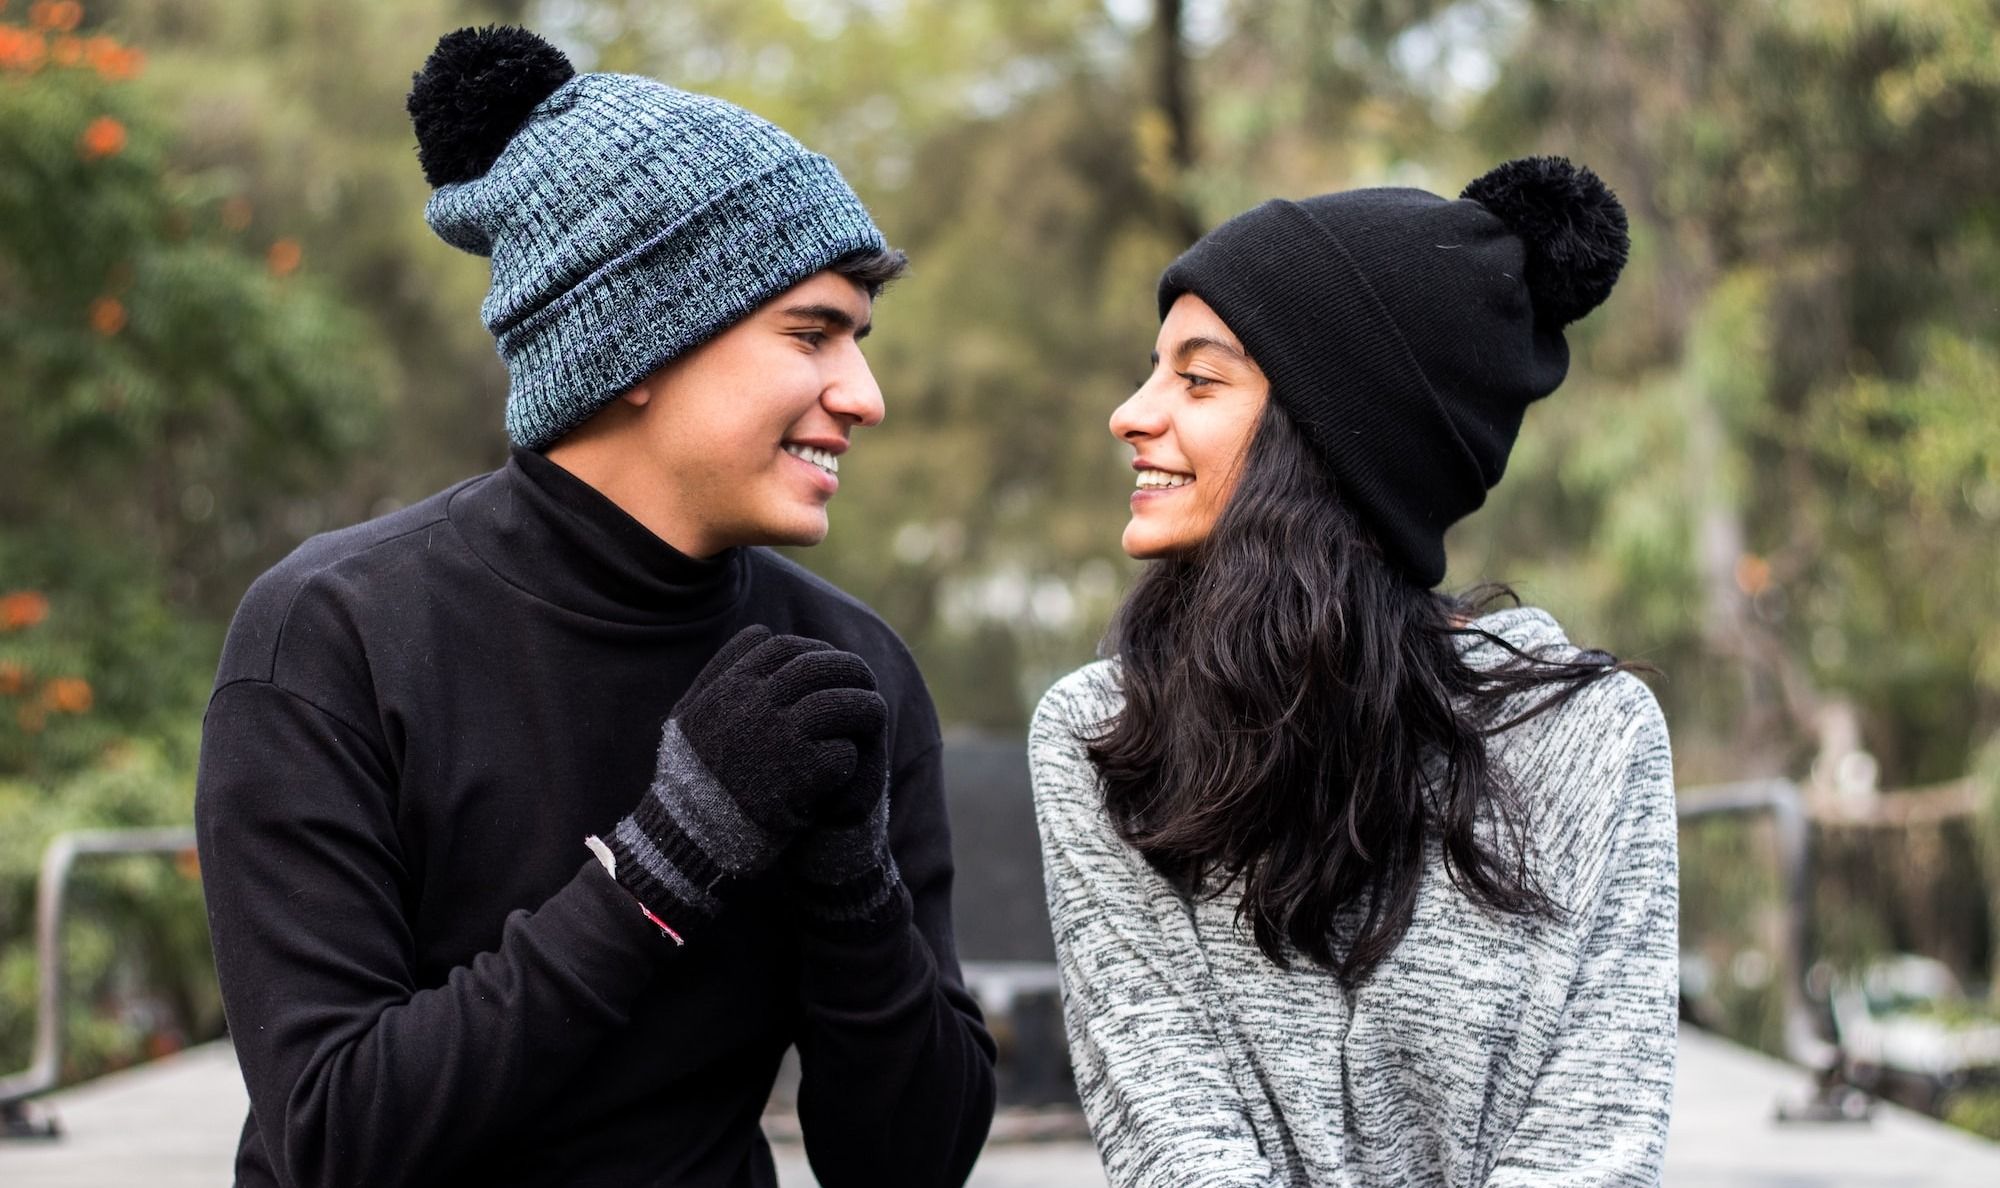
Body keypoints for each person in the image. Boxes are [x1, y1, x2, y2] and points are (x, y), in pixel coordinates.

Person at [195, 26, 995, 1188]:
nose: (861, 395)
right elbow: (333, 1136)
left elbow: (909, 1164)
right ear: (636, 339)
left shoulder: (843, 666)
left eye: (859, 341)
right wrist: (664, 863)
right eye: (810, 334)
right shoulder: (334, 634)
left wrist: (851, 889)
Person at [1029, 158, 1678, 1186]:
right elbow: (1168, 1126)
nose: (1130, 412)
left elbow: (1593, 1139)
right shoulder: (1105, 734)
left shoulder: (1590, 736)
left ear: (1331, 444)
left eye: (1195, 379)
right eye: (1153, 368)